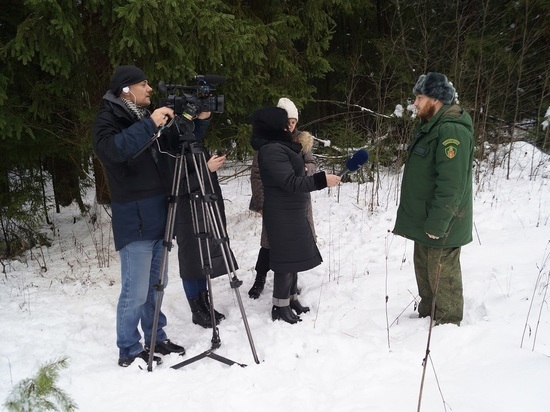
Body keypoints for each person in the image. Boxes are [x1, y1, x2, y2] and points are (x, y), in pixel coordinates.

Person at [92, 65, 191, 366]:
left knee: (156, 284)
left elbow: (174, 148)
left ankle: (155, 338)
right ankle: (129, 349)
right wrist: (150, 124)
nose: (150, 89)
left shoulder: (141, 118)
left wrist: (194, 121)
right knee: (135, 290)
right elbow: (112, 151)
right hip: (133, 216)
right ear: (126, 89)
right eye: (144, 84)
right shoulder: (108, 119)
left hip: (159, 211)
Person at [393, 72, 474, 326]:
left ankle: (447, 328)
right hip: (426, 221)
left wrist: (439, 224)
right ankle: (426, 318)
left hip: (441, 222)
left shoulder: (451, 131)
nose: (414, 103)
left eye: (419, 97)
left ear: (436, 99)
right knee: (426, 274)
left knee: (442, 277)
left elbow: (452, 184)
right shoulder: (430, 126)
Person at [250, 106, 341, 324]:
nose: (287, 126)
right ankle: (279, 306)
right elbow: (289, 182)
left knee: (293, 259)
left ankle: (291, 299)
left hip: (291, 210)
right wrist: (321, 180)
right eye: (283, 123)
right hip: (281, 211)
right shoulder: (271, 149)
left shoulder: (280, 146)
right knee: (285, 260)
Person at [248, 98, 317, 299]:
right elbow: (257, 174)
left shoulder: (302, 140)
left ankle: (290, 289)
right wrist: (261, 203)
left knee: (294, 243)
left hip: (298, 198)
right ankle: (260, 278)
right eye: (288, 121)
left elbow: (312, 162)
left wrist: (306, 169)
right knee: (269, 244)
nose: (291, 125)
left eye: (294, 121)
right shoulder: (267, 141)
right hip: (275, 201)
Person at [174, 117, 238, 329]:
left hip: (203, 209)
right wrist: (206, 169)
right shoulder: (172, 148)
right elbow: (177, 186)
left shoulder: (194, 144)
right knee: (191, 261)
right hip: (186, 213)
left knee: (203, 259)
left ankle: (205, 304)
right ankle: (196, 310)